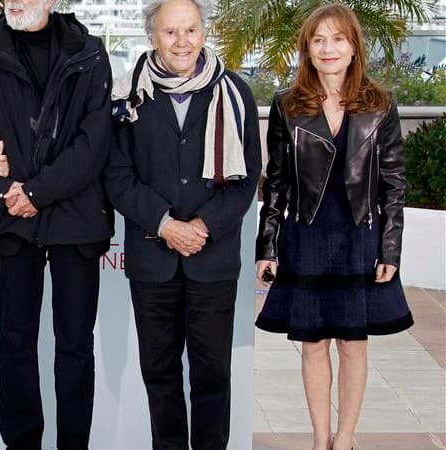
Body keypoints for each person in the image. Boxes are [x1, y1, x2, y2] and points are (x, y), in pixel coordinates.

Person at [254, 4, 413, 450]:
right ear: (307, 47)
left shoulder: (381, 105)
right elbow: (278, 183)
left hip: (360, 237)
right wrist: (266, 246)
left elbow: (393, 185)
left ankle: (344, 440)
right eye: (319, 39)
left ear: (353, 47)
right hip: (306, 236)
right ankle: (319, 439)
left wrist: (391, 249)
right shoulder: (288, 105)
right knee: (313, 343)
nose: (328, 48)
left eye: (338, 39)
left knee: (353, 344)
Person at [0, 0, 113, 448]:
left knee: (76, 347)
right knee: (17, 344)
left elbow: (94, 140)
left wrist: (36, 192)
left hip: (76, 222)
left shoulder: (90, 52)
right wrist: (3, 190)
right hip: (11, 221)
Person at [104, 0, 261, 448]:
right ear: (152, 35)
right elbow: (116, 174)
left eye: (190, 30)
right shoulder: (124, 95)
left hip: (212, 259)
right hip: (153, 258)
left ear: (203, 32)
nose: (182, 42)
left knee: (213, 373)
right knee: (159, 371)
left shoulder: (234, 93)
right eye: (171, 32)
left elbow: (247, 177)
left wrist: (202, 227)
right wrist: (165, 224)